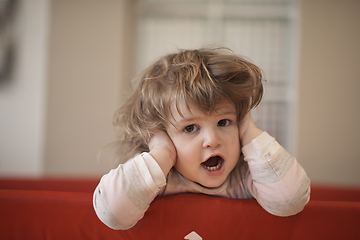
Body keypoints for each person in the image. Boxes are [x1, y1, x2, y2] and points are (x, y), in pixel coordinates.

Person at [93, 47, 310, 230]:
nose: (212, 140)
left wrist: (249, 131)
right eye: (190, 128)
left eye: (224, 122)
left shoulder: (246, 176)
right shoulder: (158, 179)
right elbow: (113, 212)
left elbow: (291, 201)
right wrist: (162, 152)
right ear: (160, 134)